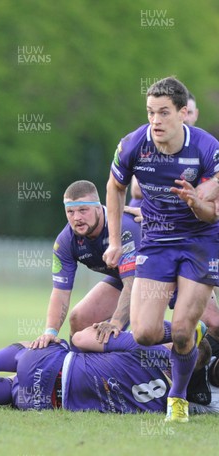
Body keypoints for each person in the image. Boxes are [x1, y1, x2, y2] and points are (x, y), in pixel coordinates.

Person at [103, 76, 219, 422]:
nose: (155, 121)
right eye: (151, 112)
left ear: (184, 113)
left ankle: (177, 399)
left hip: (201, 242)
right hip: (156, 242)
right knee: (144, 332)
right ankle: (194, 331)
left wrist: (197, 202)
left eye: (164, 113)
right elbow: (114, 186)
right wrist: (112, 241)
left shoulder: (207, 148)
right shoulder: (133, 145)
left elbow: (212, 212)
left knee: (181, 330)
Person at [0, 324, 219, 416]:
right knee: (14, 391)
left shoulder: (144, 347)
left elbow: (81, 338)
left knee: (48, 344)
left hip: (52, 366)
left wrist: (165, 331)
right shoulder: (169, 405)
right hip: (46, 403)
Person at [30, 180, 140, 349]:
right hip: (125, 279)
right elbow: (60, 292)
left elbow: (133, 285)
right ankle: (77, 370)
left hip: (164, 278)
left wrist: (116, 322)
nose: (77, 218)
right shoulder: (66, 241)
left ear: (98, 208)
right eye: (70, 212)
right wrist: (50, 332)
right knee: (79, 317)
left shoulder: (123, 227)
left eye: (83, 210)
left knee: (180, 336)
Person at [127, 92, 199, 208]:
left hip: (184, 218)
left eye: (189, 113)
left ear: (196, 114)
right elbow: (136, 190)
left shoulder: (204, 147)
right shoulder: (150, 141)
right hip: (143, 211)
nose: (184, 118)